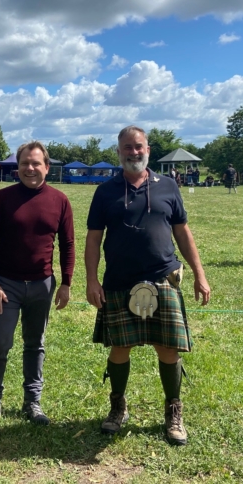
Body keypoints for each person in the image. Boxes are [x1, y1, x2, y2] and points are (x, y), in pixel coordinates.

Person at [85, 125, 211, 446]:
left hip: (163, 278)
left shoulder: (168, 186)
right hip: (119, 281)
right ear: (119, 152)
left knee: (168, 349)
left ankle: (173, 413)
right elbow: (93, 239)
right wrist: (91, 279)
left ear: (148, 149)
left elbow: (183, 232)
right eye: (127, 147)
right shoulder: (106, 191)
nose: (133, 152)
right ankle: (117, 408)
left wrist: (199, 274)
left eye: (138, 146)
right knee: (120, 348)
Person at [0, 141, 75, 441]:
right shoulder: (1, 198)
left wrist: (67, 283)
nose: (30, 169)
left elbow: (68, 244)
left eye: (36, 163)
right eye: (24, 164)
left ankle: (32, 402)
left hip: (42, 285)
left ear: (47, 166)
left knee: (35, 344)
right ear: (17, 167)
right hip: (5, 286)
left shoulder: (60, 200)